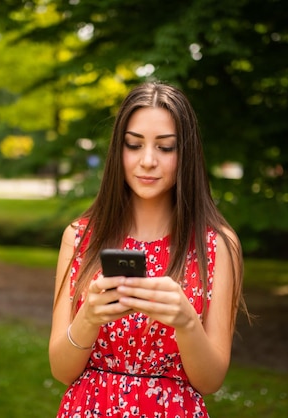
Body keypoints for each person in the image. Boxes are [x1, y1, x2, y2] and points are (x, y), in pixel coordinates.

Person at [49, 81, 247, 417]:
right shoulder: (80, 237)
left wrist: (186, 322)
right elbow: (60, 370)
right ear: (118, 150)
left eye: (166, 147)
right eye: (134, 145)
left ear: (186, 153)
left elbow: (211, 381)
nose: (148, 161)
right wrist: (89, 317)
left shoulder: (216, 245)